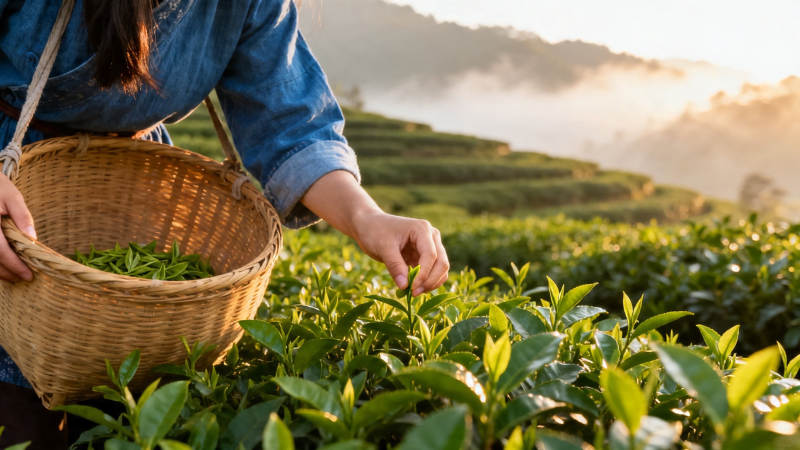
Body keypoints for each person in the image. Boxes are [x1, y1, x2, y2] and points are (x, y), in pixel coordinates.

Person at [0, 0, 449, 447]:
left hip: (136, 191)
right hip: (14, 175)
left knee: (126, 407)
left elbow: (291, 124)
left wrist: (367, 217)